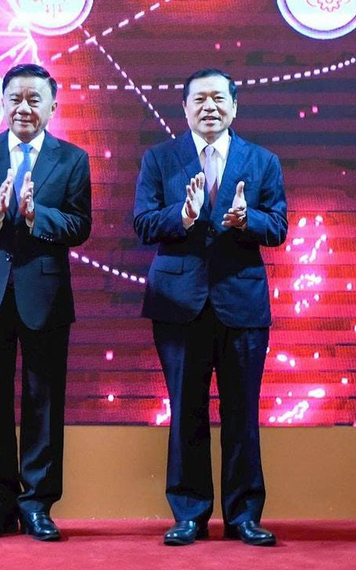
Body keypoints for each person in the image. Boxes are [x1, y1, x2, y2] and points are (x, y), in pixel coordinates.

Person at [132, 68, 286, 547]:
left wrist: (247, 219)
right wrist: (181, 217)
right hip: (178, 303)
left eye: (219, 98)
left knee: (242, 413)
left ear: (235, 107)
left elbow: (278, 227)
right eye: (199, 99)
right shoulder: (160, 158)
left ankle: (244, 515)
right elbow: (142, 223)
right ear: (184, 108)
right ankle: (189, 513)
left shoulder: (262, 160)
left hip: (242, 302)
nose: (209, 107)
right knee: (186, 411)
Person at [0, 62, 92, 542]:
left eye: (35, 99)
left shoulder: (72, 159)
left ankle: (37, 506)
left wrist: (36, 216)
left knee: (42, 400)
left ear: (53, 106)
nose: (25, 107)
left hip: (45, 295)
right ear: (3, 103)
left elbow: (80, 226)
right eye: (16, 98)